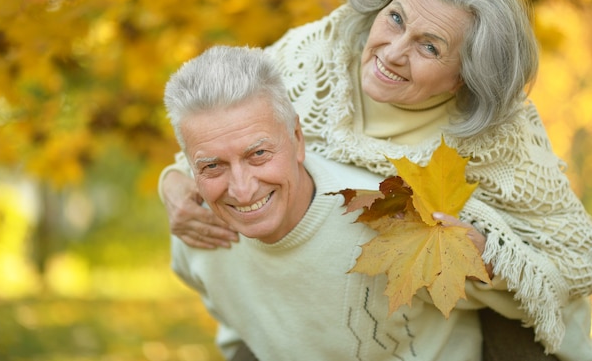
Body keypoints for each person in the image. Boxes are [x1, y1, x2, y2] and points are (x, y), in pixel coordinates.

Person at [159, 0, 592, 360]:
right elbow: (225, 127)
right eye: (395, 19)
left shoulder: (501, 134)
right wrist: (173, 184)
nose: (392, 53)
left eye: (429, 46)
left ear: (463, 77)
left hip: (506, 332)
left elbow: (581, 263)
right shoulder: (317, 52)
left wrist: (489, 254)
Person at [165, 44, 496, 361]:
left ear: (297, 139)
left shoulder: (389, 219)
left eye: (259, 154)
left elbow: (514, 301)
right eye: (212, 166)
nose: (241, 189)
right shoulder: (196, 234)